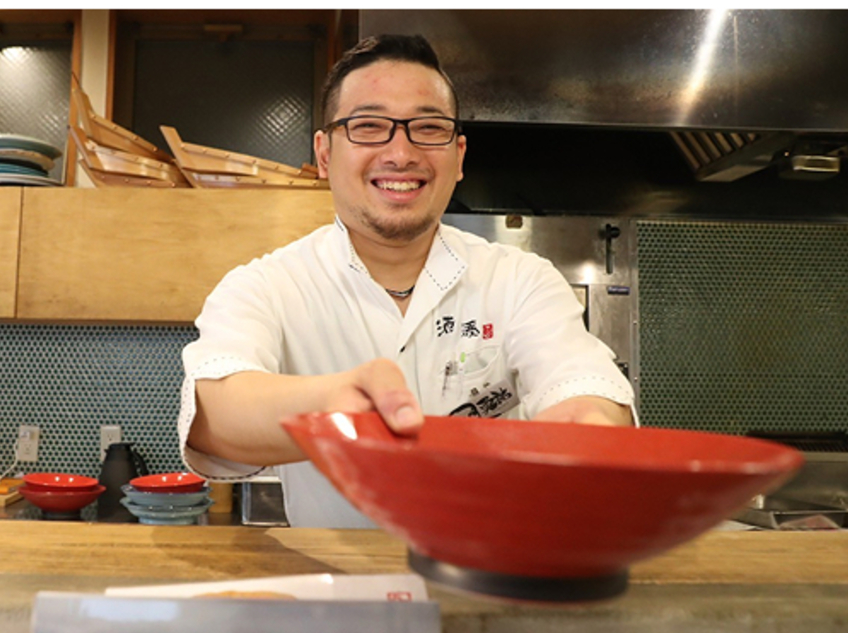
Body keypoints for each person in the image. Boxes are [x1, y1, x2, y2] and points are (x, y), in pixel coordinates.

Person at [177, 34, 635, 528]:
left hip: (490, 585)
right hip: (340, 594)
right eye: (369, 126)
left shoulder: (521, 279)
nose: (401, 152)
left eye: (428, 128)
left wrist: (586, 423)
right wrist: (334, 405)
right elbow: (217, 414)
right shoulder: (266, 285)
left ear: (458, 156)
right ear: (325, 153)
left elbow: (583, 384)